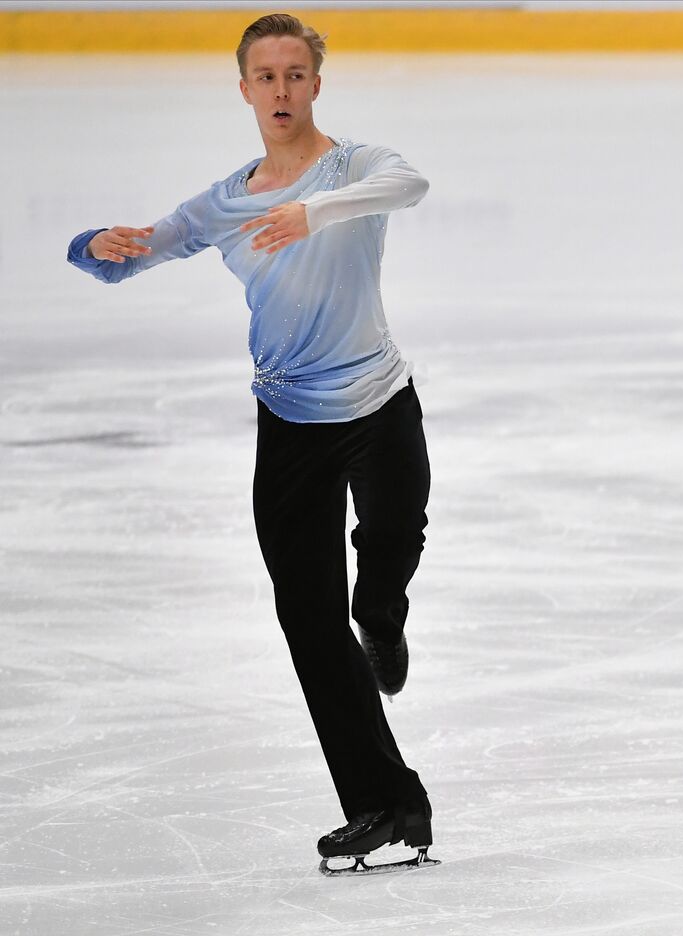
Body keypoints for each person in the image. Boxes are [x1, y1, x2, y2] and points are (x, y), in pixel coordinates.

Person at [65, 13, 437, 875]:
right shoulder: (224, 203)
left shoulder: (353, 168)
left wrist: (315, 211)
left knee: (388, 550)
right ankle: (387, 803)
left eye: (295, 74)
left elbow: (410, 187)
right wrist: (92, 245)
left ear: (316, 83)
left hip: (380, 406)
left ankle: (382, 617)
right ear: (244, 89)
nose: (281, 90)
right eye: (264, 76)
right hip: (291, 428)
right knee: (306, 619)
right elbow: (128, 258)